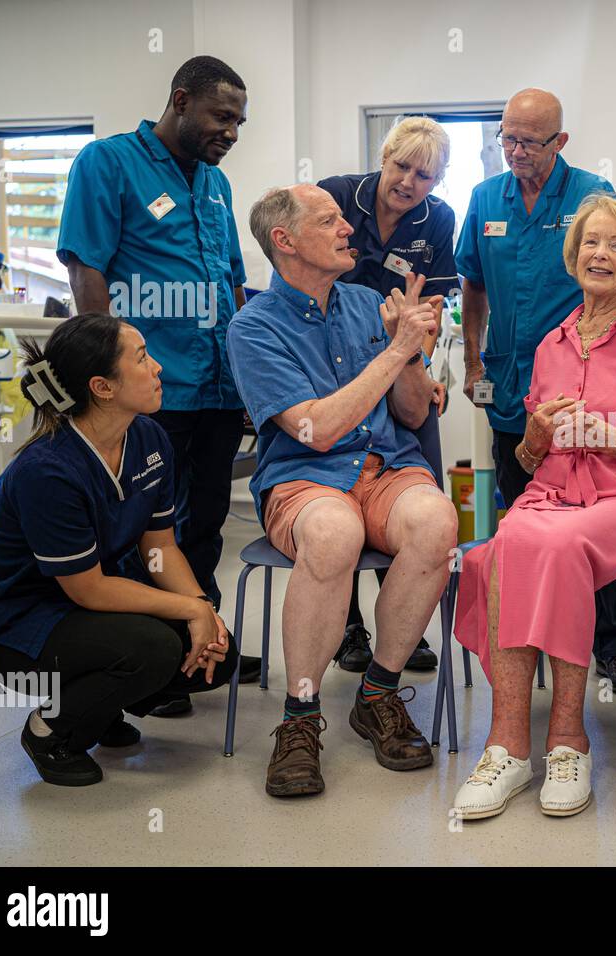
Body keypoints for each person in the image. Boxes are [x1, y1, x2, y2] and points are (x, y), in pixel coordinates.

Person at [450, 195, 616, 820]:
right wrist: (537, 437)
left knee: (553, 546)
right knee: (503, 545)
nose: (600, 253)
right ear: (573, 258)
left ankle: (567, 740)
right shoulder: (553, 345)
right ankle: (507, 746)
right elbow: (531, 462)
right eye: (591, 242)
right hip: (555, 496)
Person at [226, 184, 458, 797]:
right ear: (285, 241)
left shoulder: (365, 304)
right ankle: (300, 719)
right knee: (333, 534)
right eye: (329, 222)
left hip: (385, 467)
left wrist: (411, 357)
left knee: (437, 522)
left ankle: (377, 693)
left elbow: (411, 416)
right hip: (306, 478)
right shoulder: (252, 328)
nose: (347, 230)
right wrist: (397, 350)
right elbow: (319, 430)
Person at [57, 55, 261, 709]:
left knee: (201, 526)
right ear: (180, 100)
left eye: (239, 122)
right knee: (138, 536)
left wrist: (249, 375)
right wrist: (101, 380)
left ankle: (203, 646)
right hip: (149, 389)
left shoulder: (216, 187)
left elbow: (231, 283)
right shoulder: (108, 163)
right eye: (221, 116)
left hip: (217, 388)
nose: (231, 131)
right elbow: (87, 270)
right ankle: (149, 661)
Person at [0, 313, 239, 787]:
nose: (157, 368)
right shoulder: (48, 470)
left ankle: (97, 706)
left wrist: (203, 610)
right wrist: (189, 610)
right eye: (141, 358)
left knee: (218, 654)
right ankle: (50, 730)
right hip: (25, 627)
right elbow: (89, 589)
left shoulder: (148, 437)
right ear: (102, 386)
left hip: (92, 609)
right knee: (153, 649)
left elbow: (159, 548)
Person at [455, 89, 616, 693]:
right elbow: (473, 284)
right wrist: (474, 359)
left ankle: (613, 646)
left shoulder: (595, 197)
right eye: (506, 138)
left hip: (585, 387)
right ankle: (532, 638)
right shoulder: (485, 199)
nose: (514, 151)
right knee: (522, 514)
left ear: (560, 142)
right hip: (511, 384)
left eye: (528, 142)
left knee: (595, 515)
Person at [319, 116, 458, 674]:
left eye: (425, 176)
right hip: (334, 370)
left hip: (403, 364)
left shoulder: (438, 220)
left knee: (417, 493)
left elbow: (433, 310)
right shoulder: (334, 195)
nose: (409, 182)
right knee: (342, 488)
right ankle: (349, 627)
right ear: (384, 156)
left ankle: (402, 626)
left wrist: (421, 370)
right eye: (402, 166)